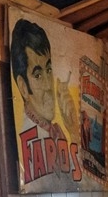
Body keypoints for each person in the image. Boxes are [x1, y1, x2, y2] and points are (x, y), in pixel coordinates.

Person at [10, 18, 81, 187]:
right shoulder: (33, 141)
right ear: (23, 86)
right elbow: (73, 187)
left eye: (49, 70)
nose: (49, 85)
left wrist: (74, 133)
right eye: (38, 75)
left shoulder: (56, 132)